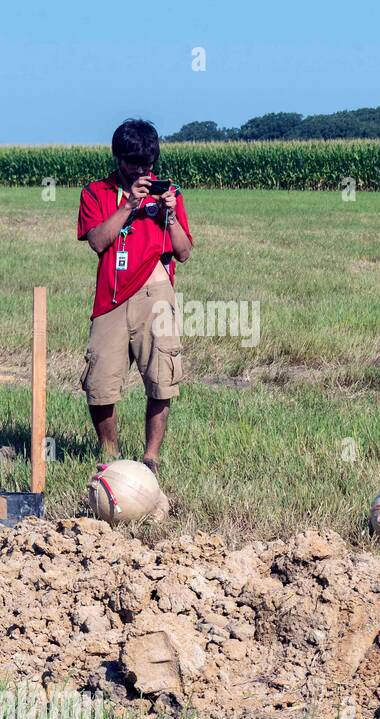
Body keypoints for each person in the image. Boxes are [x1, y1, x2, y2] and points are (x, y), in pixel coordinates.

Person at [77, 119, 193, 475]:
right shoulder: (96, 192)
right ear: (118, 158)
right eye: (134, 163)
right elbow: (98, 241)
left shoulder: (169, 192)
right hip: (111, 299)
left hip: (156, 293)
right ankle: (110, 453)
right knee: (100, 383)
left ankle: (150, 458)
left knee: (161, 376)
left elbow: (185, 252)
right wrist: (128, 205)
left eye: (148, 164)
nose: (143, 170)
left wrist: (170, 216)